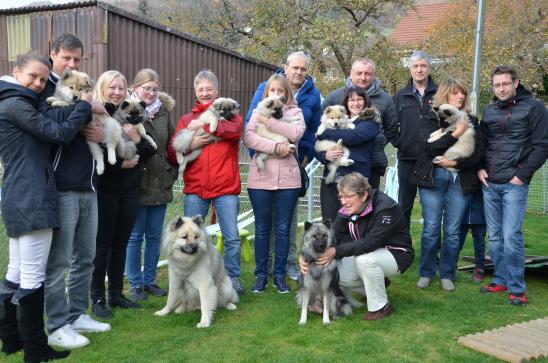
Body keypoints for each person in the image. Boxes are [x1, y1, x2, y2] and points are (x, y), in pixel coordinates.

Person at [0, 52, 92, 362]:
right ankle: (36, 351)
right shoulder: (15, 105)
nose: (39, 84)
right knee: (31, 276)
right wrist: (83, 106)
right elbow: (61, 133)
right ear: (16, 72)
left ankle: (11, 339)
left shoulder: (19, 102)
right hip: (32, 196)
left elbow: (49, 120)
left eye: (43, 79)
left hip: (20, 195)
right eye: (33, 77)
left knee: (16, 272)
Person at [42, 33, 111, 351]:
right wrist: (89, 105)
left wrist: (98, 123)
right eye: (66, 57)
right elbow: (56, 123)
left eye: (77, 59)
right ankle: (57, 325)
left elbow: (105, 114)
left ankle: (76, 314)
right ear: (52, 54)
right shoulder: (44, 86)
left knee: (86, 258)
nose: (71, 63)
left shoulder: (82, 85)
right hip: (61, 188)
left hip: (89, 186)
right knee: (58, 262)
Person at [245, 51, 321, 281]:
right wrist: (266, 150)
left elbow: (308, 130)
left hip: (292, 165)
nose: (298, 72)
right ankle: (265, 267)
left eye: (303, 69)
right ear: (285, 68)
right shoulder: (264, 88)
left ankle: (287, 264)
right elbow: (250, 130)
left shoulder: (311, 96)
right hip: (265, 164)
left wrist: (304, 156)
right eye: (295, 68)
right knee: (264, 224)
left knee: (286, 223)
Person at [167, 70, 245, 294]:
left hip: (225, 187)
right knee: (194, 238)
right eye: (200, 89)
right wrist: (191, 145)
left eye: (209, 89)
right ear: (195, 92)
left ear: (217, 91)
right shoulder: (185, 119)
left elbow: (234, 130)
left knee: (231, 237)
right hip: (196, 188)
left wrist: (200, 127)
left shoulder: (230, 114)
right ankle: (194, 278)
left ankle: (232, 278)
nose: (205, 93)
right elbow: (173, 153)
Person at [477, 65, 548, 306]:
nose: (501, 89)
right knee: (495, 237)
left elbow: (542, 146)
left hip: (514, 184)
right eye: (496, 85)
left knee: (511, 236)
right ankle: (501, 279)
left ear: (516, 83)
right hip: (490, 183)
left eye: (505, 84)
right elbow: (481, 144)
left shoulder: (535, 108)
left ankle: (517, 288)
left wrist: (522, 175)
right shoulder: (489, 111)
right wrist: (479, 167)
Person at [300, 172, 414, 321]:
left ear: (364, 195)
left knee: (365, 260)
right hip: (367, 252)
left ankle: (380, 307)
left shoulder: (386, 208)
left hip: (397, 254)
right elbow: (333, 236)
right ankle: (378, 283)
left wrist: (335, 251)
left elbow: (370, 242)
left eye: (348, 196)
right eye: (341, 197)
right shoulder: (347, 209)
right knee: (335, 272)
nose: (344, 202)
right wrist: (307, 258)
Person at [89, 71, 156, 318]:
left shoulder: (130, 112)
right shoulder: (96, 114)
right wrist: (122, 164)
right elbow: (93, 149)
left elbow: (148, 150)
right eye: (112, 87)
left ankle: (116, 293)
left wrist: (135, 142)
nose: (117, 92)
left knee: (121, 243)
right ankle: (97, 297)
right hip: (106, 189)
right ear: (103, 88)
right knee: (102, 245)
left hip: (130, 190)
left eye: (121, 87)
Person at [412, 79, 483, 291]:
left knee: (452, 230)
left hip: (459, 180)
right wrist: (456, 134)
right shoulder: (431, 118)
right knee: (431, 228)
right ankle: (426, 272)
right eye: (455, 93)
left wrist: (455, 162)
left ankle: (447, 273)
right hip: (433, 178)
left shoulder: (472, 120)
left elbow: (478, 153)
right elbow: (429, 149)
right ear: (445, 95)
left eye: (463, 94)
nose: (460, 97)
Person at [244, 74, 305, 293]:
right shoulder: (257, 112)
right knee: (261, 229)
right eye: (273, 91)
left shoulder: (295, 112)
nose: (277, 95)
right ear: (266, 93)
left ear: (287, 93)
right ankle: (261, 274)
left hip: (288, 181)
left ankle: (279, 274)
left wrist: (269, 122)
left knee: (282, 229)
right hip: (260, 179)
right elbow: (249, 138)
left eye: (281, 91)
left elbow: (296, 133)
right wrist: (277, 148)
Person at [125, 69, 178, 302]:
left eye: (155, 89)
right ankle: (135, 284)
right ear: (136, 88)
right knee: (135, 237)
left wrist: (172, 172)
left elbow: (173, 144)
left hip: (160, 182)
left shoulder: (164, 112)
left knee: (155, 236)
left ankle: (150, 281)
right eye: (146, 88)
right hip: (137, 182)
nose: (151, 92)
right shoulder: (127, 110)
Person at [321, 58, 397, 189]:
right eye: (359, 73)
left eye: (367, 74)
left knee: (366, 206)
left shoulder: (385, 100)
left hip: (372, 163)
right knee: (335, 206)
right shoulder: (334, 97)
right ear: (351, 73)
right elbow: (320, 127)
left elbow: (391, 128)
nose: (363, 77)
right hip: (338, 162)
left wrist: (374, 141)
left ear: (374, 75)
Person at [316, 86, 379, 222]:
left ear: (365, 101)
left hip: (356, 179)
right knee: (330, 222)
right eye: (351, 100)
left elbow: (353, 136)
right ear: (346, 102)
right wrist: (324, 156)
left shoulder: (370, 120)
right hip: (332, 180)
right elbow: (315, 146)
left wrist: (324, 133)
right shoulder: (335, 116)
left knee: (354, 222)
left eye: (359, 99)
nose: (356, 103)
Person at [393, 51, 438, 226]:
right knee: (404, 206)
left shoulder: (440, 93)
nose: (419, 70)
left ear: (429, 67)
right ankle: (403, 250)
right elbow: (390, 125)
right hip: (407, 159)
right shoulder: (399, 97)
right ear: (410, 69)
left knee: (432, 209)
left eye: (423, 65)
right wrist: (400, 143)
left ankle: (431, 252)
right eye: (415, 66)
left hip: (433, 160)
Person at [458, 190, 486, 282]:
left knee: (480, 244)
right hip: (461, 215)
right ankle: (450, 266)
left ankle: (479, 269)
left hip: (480, 214)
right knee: (456, 241)